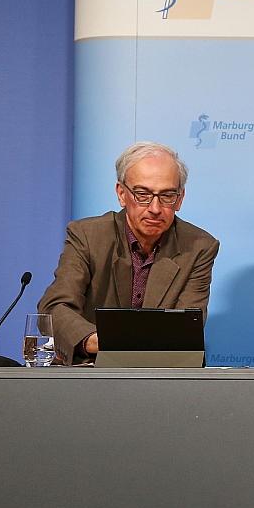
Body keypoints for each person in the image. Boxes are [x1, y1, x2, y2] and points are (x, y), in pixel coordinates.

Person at [38, 141, 219, 364]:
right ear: (122, 194)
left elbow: (184, 330)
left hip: (161, 372)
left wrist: (122, 343)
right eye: (142, 194)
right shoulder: (87, 236)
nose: (155, 208)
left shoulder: (199, 246)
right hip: (91, 368)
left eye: (167, 196)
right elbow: (54, 308)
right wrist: (96, 341)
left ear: (180, 199)